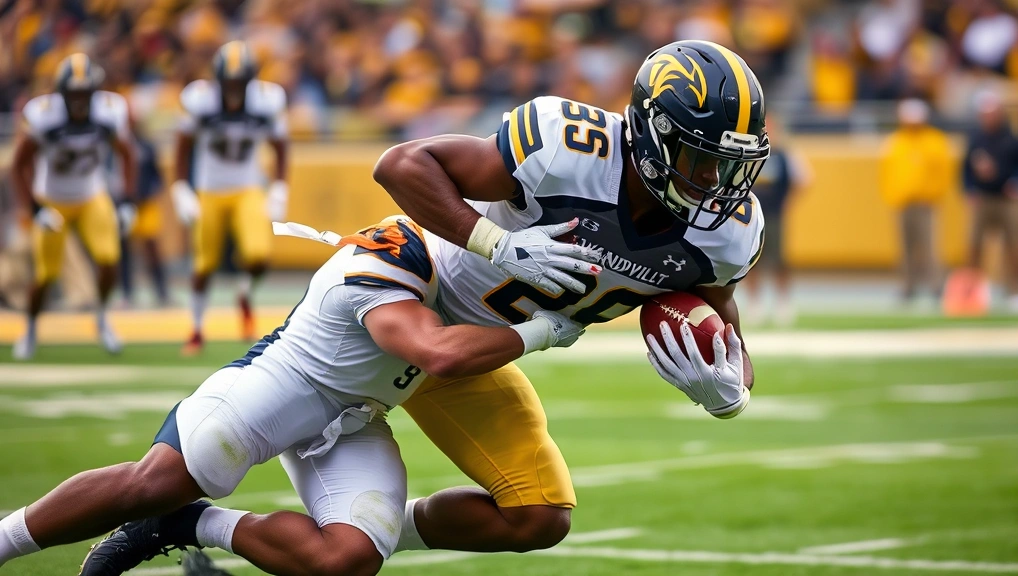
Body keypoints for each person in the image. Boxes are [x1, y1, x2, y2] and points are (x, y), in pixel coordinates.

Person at [0, 40, 767, 576]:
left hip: (480, 351)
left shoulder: (726, 236)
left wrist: (728, 395)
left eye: (732, 165)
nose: (717, 185)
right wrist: (495, 242)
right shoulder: (569, 149)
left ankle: (300, 534)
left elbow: (723, 327)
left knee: (539, 517)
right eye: (704, 159)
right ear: (649, 135)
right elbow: (403, 164)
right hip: (414, 293)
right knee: (165, 475)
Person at [10, 53, 137, 360]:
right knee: (45, 275)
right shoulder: (44, 115)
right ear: (62, 93)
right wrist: (35, 208)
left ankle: (103, 317)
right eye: (74, 94)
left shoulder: (109, 111)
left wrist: (127, 201)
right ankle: (30, 327)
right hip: (52, 199)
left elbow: (128, 155)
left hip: (92, 195)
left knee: (109, 259)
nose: (79, 101)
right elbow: (19, 166)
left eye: (85, 94)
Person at [171, 40, 290, 354]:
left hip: (247, 188)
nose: (234, 88)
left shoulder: (267, 100)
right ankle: (196, 329)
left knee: (259, 255)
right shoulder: (200, 99)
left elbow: (280, 146)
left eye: (240, 82)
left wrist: (279, 187)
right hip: (209, 190)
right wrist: (181, 188)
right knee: (203, 265)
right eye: (229, 82)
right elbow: (182, 146)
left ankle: (244, 291)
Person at [879, 98, 952, 305]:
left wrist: (934, 195)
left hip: (925, 202)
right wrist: (891, 196)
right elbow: (886, 173)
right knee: (905, 249)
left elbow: (943, 173)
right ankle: (907, 287)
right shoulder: (895, 141)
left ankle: (937, 286)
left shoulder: (934, 141)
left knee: (930, 247)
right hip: (902, 202)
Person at [743, 114, 811, 326]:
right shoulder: (749, 153)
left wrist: (788, 202)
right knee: (750, 262)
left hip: (773, 215)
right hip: (751, 217)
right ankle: (754, 304)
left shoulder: (785, 155)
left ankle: (783, 303)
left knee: (779, 260)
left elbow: (804, 179)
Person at [962, 91, 1018, 313]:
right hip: (983, 196)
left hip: (1008, 198)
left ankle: (1016, 290)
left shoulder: (1012, 139)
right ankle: (973, 291)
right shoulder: (976, 138)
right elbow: (966, 168)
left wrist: (1017, 181)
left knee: (1015, 245)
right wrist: (969, 189)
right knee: (973, 245)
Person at [110, 117, 170, 307]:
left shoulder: (145, 146)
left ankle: (162, 292)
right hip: (122, 204)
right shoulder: (111, 148)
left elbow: (156, 176)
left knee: (152, 248)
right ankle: (127, 294)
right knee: (123, 251)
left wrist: (147, 194)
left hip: (145, 205)